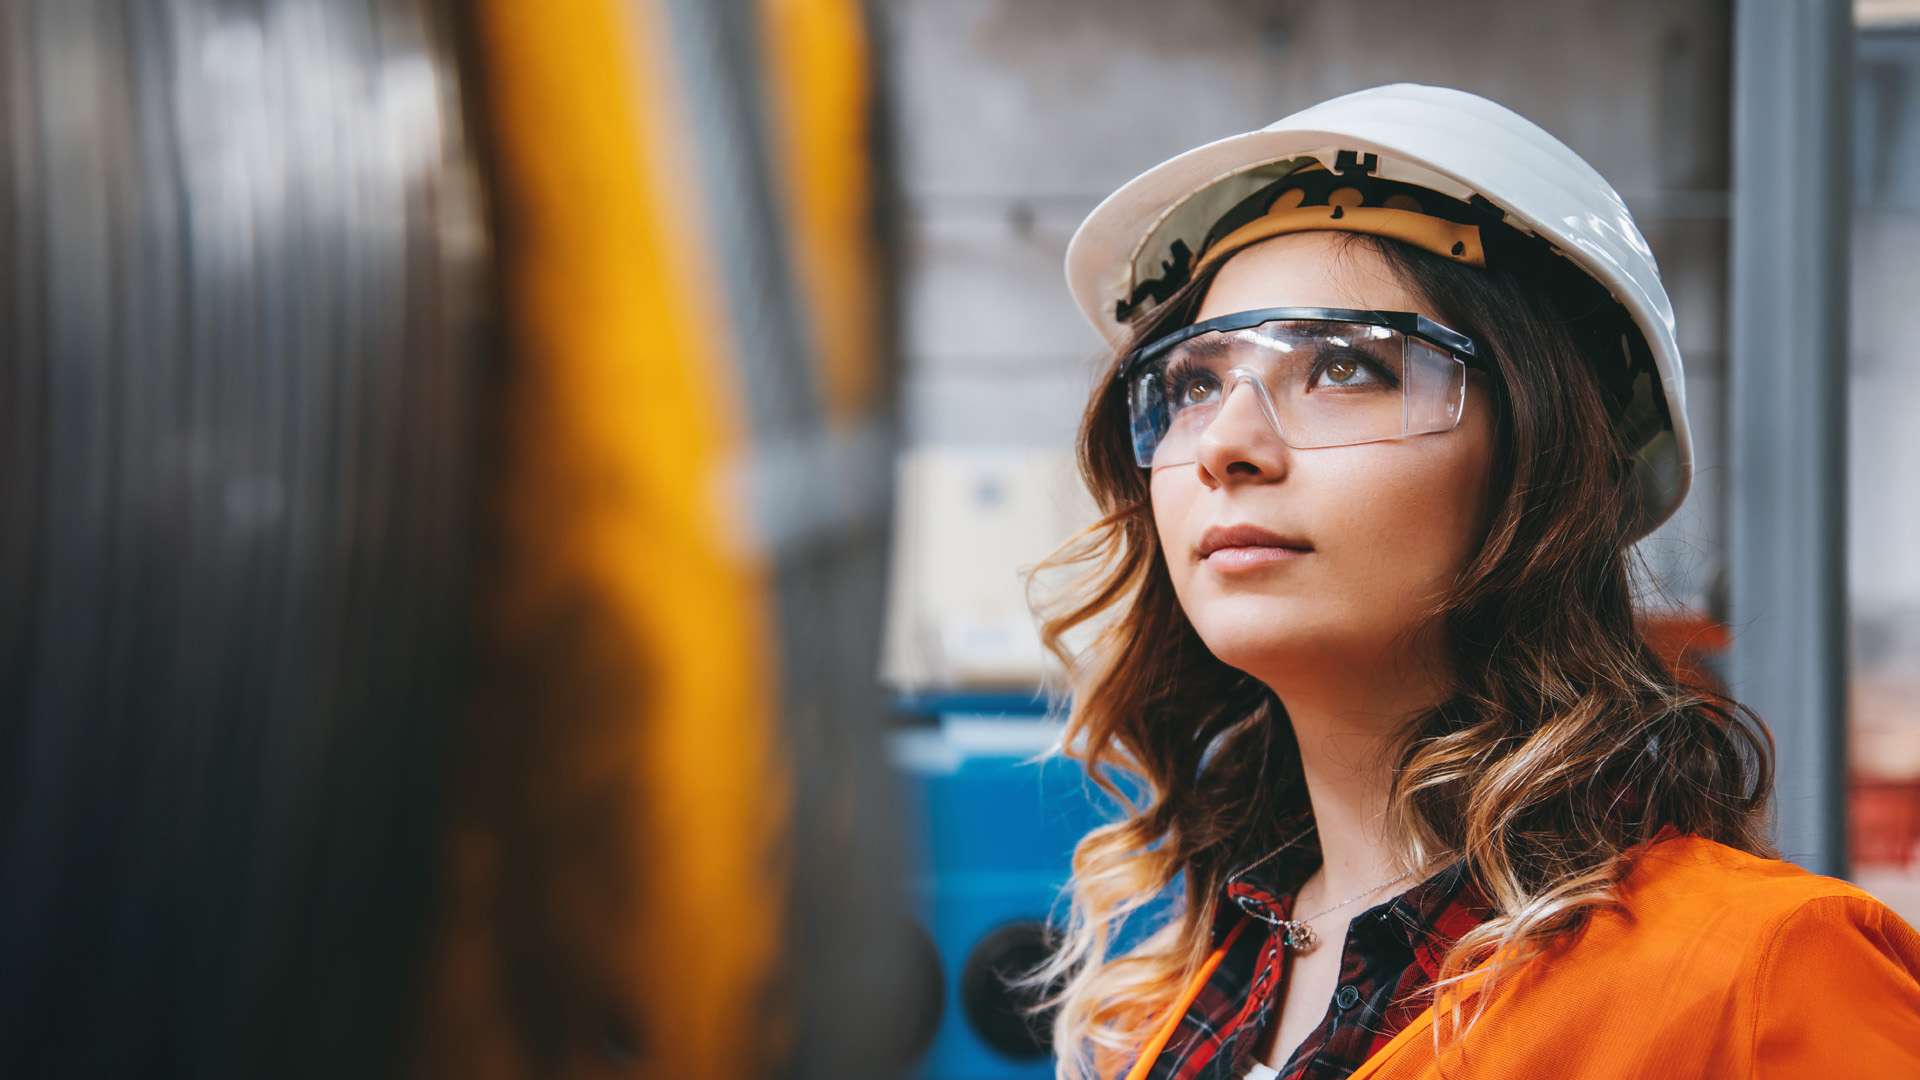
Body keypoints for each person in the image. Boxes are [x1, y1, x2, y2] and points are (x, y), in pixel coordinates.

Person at [1032, 84, 1920, 1080]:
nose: (1223, 444)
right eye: (1194, 383)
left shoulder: (1764, 982)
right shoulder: (1168, 1002)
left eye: (1344, 367)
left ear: (1542, 458)